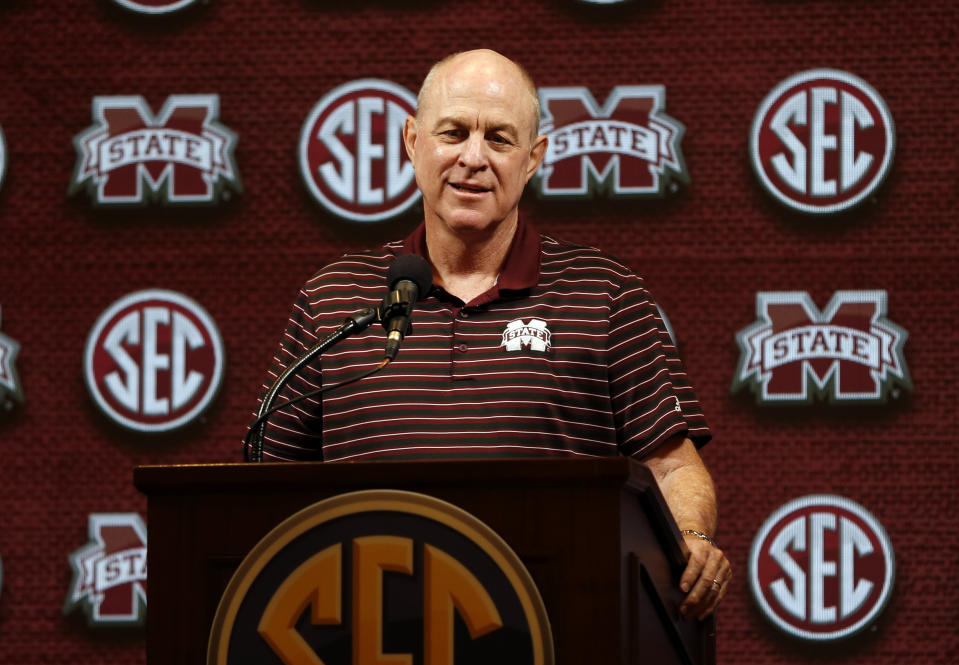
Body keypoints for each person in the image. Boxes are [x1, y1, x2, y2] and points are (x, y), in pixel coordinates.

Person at [249, 49, 730, 620]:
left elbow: (672, 466)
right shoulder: (333, 299)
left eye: (499, 139)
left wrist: (693, 539)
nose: (473, 158)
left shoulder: (605, 293)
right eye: (453, 132)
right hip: (366, 626)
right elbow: (263, 486)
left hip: (560, 624)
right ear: (412, 142)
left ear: (533, 158)